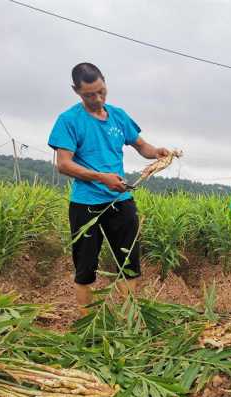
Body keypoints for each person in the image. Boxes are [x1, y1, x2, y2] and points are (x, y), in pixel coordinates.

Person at [48, 62, 170, 316]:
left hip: (121, 199)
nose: (97, 98)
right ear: (76, 91)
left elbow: (141, 146)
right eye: (89, 95)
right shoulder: (69, 120)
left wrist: (156, 152)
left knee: (129, 264)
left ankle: (129, 320)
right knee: (85, 267)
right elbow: (64, 164)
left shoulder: (118, 115)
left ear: (105, 82)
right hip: (86, 204)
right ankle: (88, 325)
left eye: (101, 91)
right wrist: (101, 177)